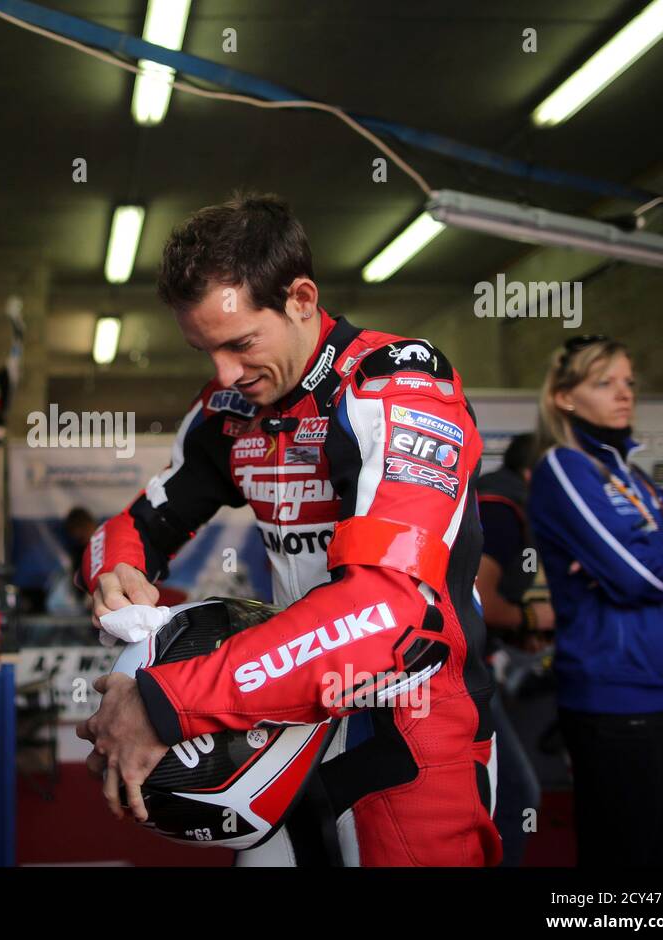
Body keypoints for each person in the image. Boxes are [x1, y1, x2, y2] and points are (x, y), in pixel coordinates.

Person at [76, 192, 501, 866]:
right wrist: (117, 574)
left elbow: (387, 611)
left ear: (301, 298)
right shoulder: (226, 409)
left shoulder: (396, 386)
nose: (224, 374)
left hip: (408, 715)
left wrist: (166, 702)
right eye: (204, 350)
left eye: (241, 343)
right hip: (279, 710)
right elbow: (132, 526)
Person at [527, 334, 663, 866]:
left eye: (629, 382)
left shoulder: (632, 477)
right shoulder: (564, 470)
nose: (625, 394)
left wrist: (655, 547)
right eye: (604, 383)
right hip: (614, 701)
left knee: (656, 856)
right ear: (565, 398)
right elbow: (637, 576)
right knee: (622, 866)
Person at [474, 432, 549, 867]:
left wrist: (518, 628)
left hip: (462, 667)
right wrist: (534, 619)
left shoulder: (502, 498)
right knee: (516, 797)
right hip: (458, 673)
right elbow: (480, 601)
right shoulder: (503, 508)